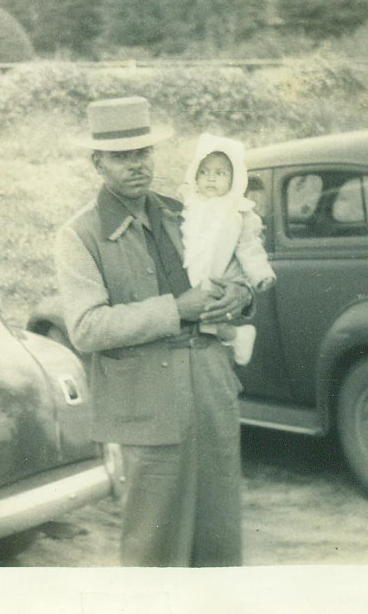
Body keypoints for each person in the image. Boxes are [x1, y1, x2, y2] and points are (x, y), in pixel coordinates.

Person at [55, 96, 255, 567]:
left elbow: (234, 264)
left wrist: (240, 294)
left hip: (211, 392)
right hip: (146, 407)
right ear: (97, 163)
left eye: (142, 153)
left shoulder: (183, 212)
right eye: (121, 156)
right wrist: (176, 309)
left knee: (219, 541)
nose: (136, 165)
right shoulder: (79, 235)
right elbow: (86, 327)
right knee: (154, 548)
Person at [180, 133, 276, 366]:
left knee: (210, 315)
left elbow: (250, 248)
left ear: (234, 178)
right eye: (204, 172)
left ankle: (238, 336)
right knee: (193, 313)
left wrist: (260, 274)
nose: (210, 179)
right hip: (195, 268)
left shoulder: (238, 213)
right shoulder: (190, 205)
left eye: (220, 173)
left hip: (220, 273)